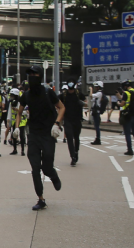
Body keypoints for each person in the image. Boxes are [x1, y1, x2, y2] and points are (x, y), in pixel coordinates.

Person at [13, 65, 64, 211]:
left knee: (46, 167)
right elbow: (19, 112)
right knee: (35, 168)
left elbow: (62, 107)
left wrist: (57, 123)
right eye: (30, 74)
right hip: (33, 134)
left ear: (40, 76)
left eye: (34, 74)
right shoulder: (26, 95)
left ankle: (52, 175)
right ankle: (41, 199)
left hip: (48, 134)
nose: (31, 77)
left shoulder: (48, 92)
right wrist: (17, 127)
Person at [59, 81, 83, 166]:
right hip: (67, 119)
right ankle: (72, 156)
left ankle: (76, 152)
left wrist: (82, 103)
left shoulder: (78, 93)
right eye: (70, 89)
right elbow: (57, 103)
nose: (70, 91)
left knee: (76, 137)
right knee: (69, 137)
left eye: (72, 89)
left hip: (77, 119)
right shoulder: (63, 95)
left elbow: (86, 101)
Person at [120, 80, 134, 156]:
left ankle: (130, 150)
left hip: (127, 115)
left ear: (125, 86)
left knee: (127, 133)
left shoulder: (126, 93)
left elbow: (123, 104)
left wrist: (118, 103)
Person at [6, 87, 26, 156]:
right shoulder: (11, 103)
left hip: (21, 122)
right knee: (14, 135)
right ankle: (14, 149)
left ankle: (22, 150)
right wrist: (8, 121)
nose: (11, 97)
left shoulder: (21, 103)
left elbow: (25, 112)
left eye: (12, 95)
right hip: (14, 121)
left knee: (22, 136)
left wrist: (18, 110)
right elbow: (9, 112)